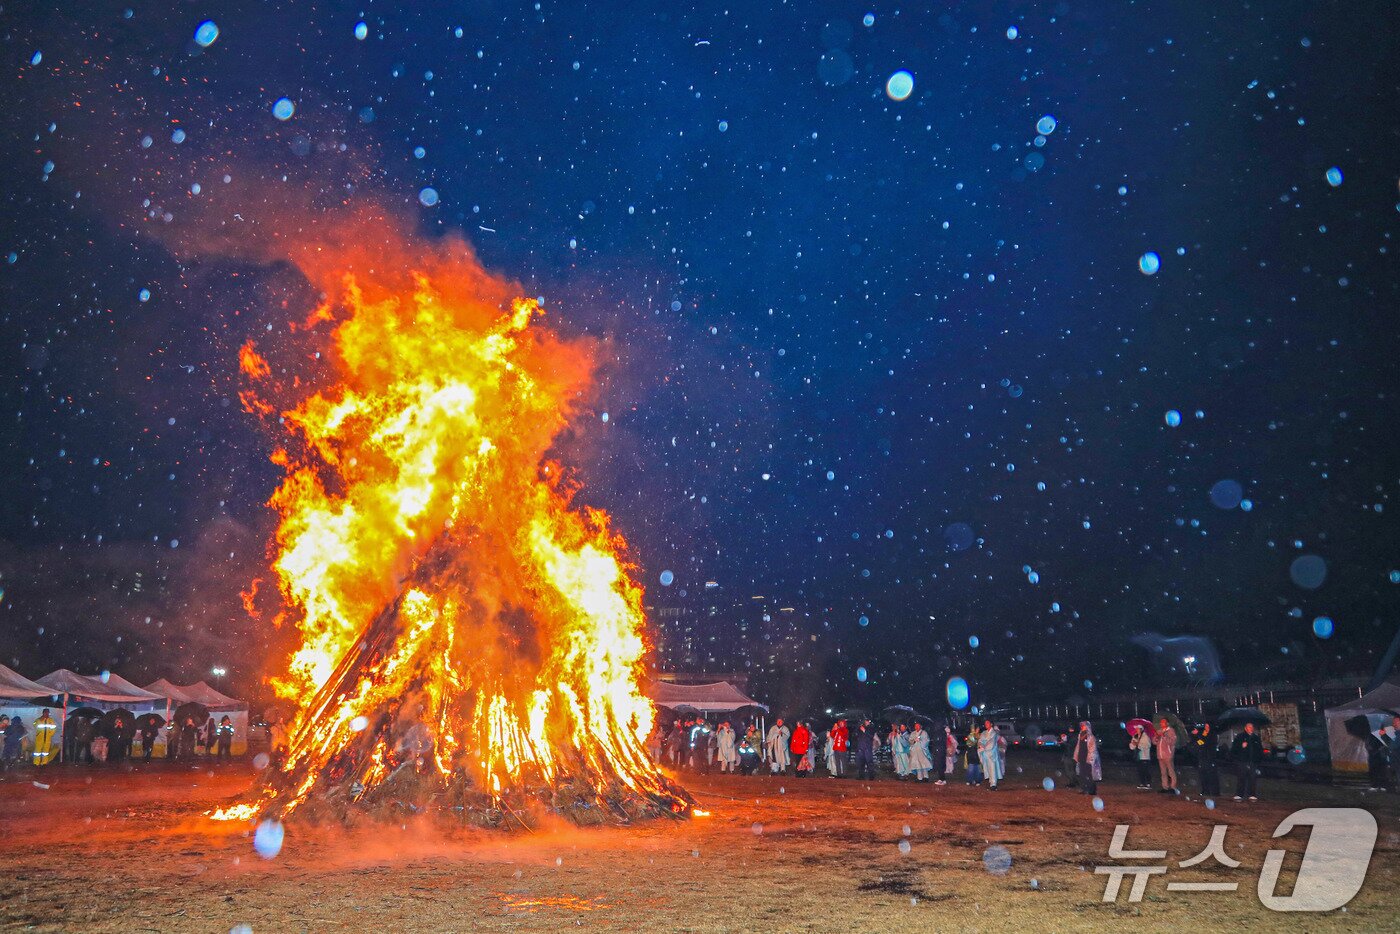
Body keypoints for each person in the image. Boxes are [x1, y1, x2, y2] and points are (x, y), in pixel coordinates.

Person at [1232, 722, 1264, 800]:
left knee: (1252, 778)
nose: (1251, 729)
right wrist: (1241, 746)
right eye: (1249, 727)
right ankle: (1239, 794)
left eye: (1252, 727)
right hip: (1243, 761)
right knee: (1241, 777)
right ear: (1245, 728)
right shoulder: (1240, 737)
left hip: (1253, 762)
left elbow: (1260, 749)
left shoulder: (1256, 738)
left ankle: (1252, 794)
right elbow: (1234, 749)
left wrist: (1258, 759)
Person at [1191, 723, 1220, 797]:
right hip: (1202, 757)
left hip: (1210, 758)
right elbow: (1199, 742)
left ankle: (1215, 792)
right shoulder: (1203, 734)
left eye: (1208, 726)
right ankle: (1205, 791)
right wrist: (1196, 736)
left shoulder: (1213, 735)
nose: (1206, 728)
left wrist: (1199, 736)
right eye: (1205, 726)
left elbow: (1206, 743)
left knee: (1212, 776)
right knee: (1203, 775)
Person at [1074, 721, 1101, 795]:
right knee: (1082, 774)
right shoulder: (1080, 735)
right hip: (1081, 757)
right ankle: (1084, 788)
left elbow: (1092, 748)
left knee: (1089, 774)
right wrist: (1076, 755)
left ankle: (1092, 790)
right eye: (1081, 725)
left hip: (1088, 758)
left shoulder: (1090, 736)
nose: (1082, 726)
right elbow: (1078, 746)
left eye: (1083, 725)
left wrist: (1090, 757)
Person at [1155, 717, 1179, 794]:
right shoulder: (1159, 731)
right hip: (1160, 755)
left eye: (1163, 722)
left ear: (1167, 723)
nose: (1161, 724)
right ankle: (1165, 787)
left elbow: (1172, 742)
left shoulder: (1171, 731)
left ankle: (1173, 787)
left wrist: (1164, 736)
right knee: (1163, 772)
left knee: (1171, 771)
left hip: (1168, 755)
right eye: (1161, 722)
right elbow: (1154, 742)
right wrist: (1156, 738)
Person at [978, 720, 1004, 790]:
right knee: (988, 768)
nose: (986, 724)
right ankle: (991, 782)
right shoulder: (984, 733)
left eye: (987, 723)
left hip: (992, 753)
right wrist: (981, 745)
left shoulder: (994, 733)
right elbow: (980, 741)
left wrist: (984, 747)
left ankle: (993, 784)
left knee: (992, 768)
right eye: (985, 723)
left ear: (991, 724)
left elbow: (991, 743)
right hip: (985, 753)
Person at [1129, 725, 1153, 790]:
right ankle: (1142, 783)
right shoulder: (1135, 736)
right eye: (1136, 729)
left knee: (1146, 770)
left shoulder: (1145, 736)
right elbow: (1131, 746)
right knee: (1140, 770)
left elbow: (1148, 745)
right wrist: (1133, 744)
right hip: (1138, 756)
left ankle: (1148, 783)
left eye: (1138, 729)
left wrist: (1138, 744)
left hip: (1145, 756)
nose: (1137, 730)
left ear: (1141, 729)